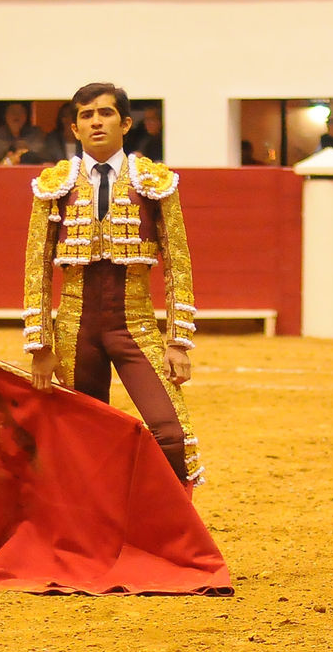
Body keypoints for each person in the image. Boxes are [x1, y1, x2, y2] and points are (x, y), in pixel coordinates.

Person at [23, 81, 202, 487]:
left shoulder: (155, 183)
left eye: (104, 113)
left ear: (125, 123)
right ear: (75, 129)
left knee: (171, 434)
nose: (95, 122)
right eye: (86, 116)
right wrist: (40, 346)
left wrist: (177, 341)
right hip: (73, 328)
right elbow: (36, 265)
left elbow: (178, 263)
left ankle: (164, 535)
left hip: (135, 324)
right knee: (81, 443)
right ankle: (93, 538)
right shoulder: (54, 186)